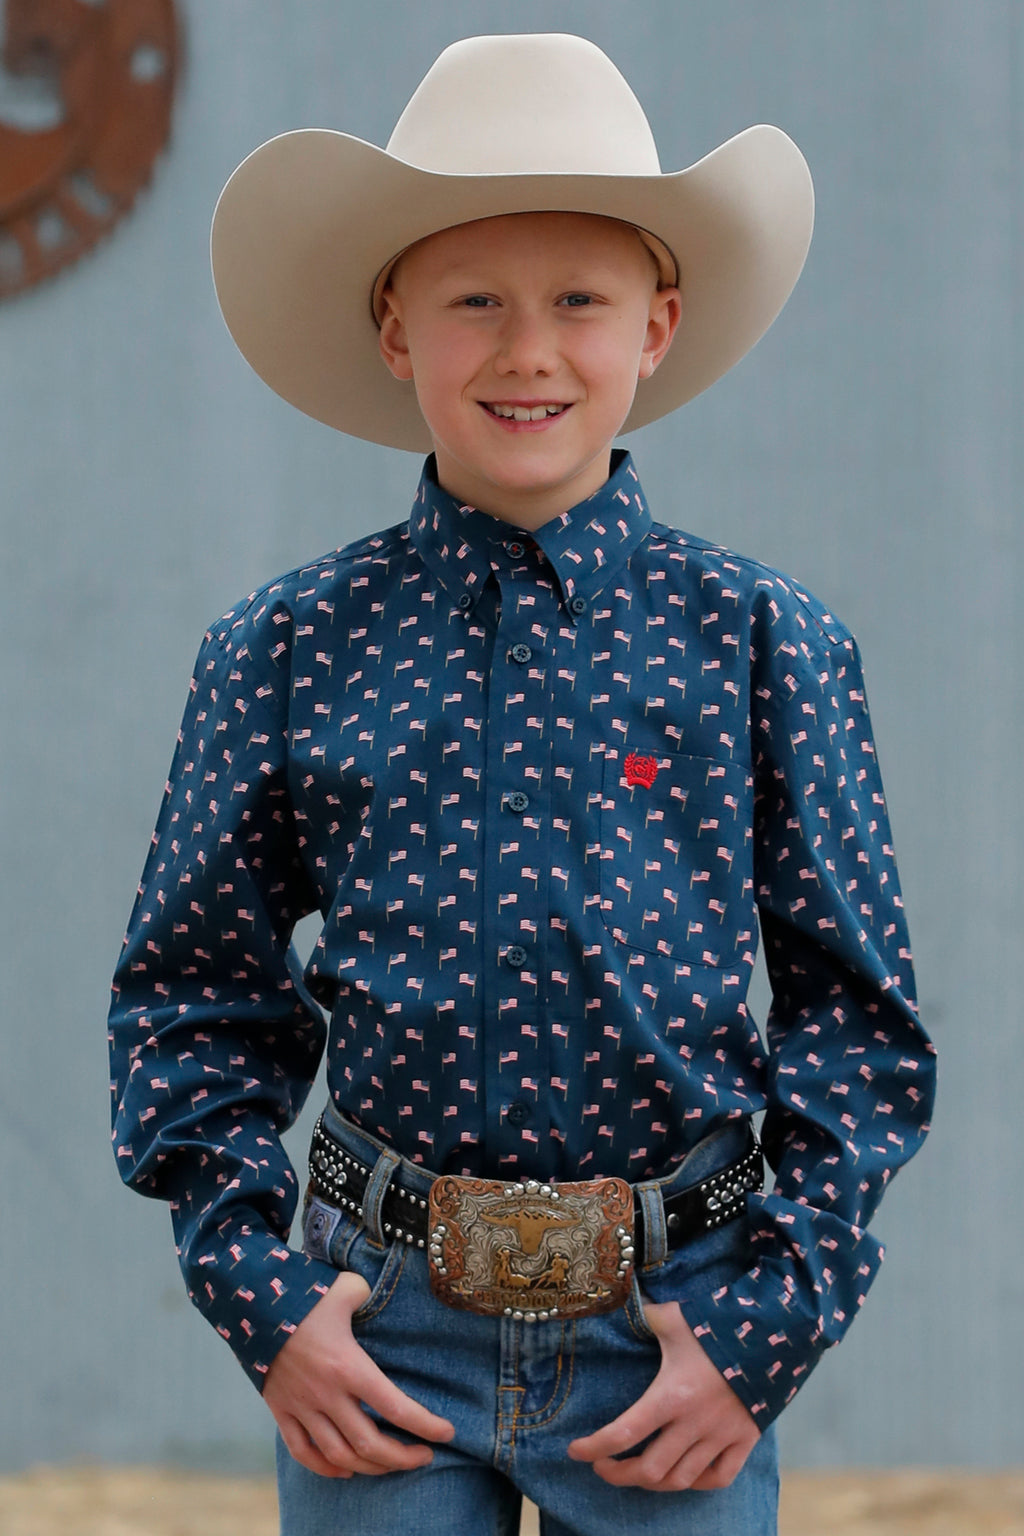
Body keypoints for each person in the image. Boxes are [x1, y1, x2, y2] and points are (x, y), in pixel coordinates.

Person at [108, 33, 935, 1536]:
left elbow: (857, 1022)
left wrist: (768, 1327)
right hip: (381, 1329)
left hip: (676, 1323)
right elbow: (190, 1001)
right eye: (474, 300)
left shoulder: (767, 644)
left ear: (659, 324)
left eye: (579, 301)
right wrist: (267, 1301)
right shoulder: (285, 650)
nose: (529, 350)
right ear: (394, 328)